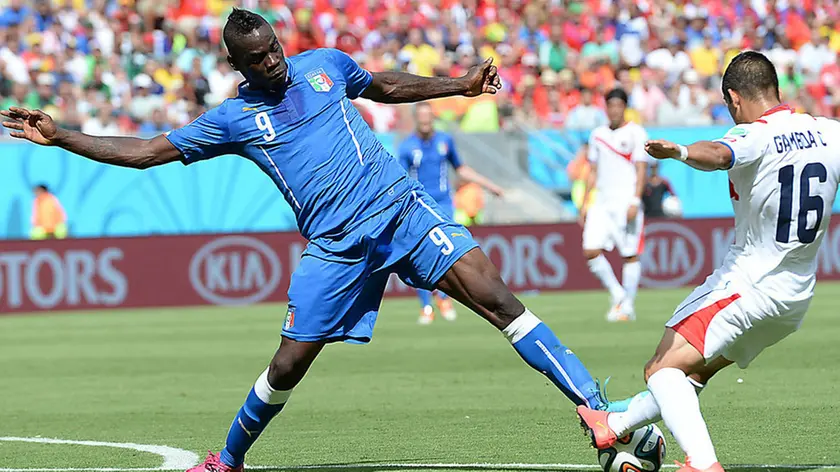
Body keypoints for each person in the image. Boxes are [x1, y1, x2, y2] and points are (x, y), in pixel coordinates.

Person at [3, 9, 629, 472]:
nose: (272, 62)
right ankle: (228, 457)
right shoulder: (234, 120)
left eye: (275, 49)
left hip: (403, 211)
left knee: (500, 301)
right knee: (288, 364)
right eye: (258, 58)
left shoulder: (324, 65)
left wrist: (457, 85)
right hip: (336, 248)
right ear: (237, 65)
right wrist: (60, 135)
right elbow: (144, 153)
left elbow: (384, 85)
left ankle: (601, 412)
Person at [577, 51, 840, 472]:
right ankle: (616, 423)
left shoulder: (755, 134)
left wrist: (679, 150)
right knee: (694, 373)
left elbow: (718, 154)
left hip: (750, 284)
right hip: (796, 298)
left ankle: (703, 463)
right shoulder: (829, 132)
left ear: (734, 99)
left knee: (661, 370)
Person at [398, 102, 504, 324]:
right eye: (422, 118)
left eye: (429, 117)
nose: (426, 122)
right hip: (419, 206)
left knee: (449, 253)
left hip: (444, 205)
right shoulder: (408, 147)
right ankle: (426, 306)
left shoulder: (444, 141)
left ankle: (444, 298)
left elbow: (461, 168)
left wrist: (489, 185)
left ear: (433, 118)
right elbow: (401, 178)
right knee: (417, 257)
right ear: (417, 119)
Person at [579, 88, 649, 322]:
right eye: (611, 106)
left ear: (625, 107)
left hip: (626, 200)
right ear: (606, 108)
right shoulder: (597, 134)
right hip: (602, 202)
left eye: (619, 106)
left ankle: (627, 305)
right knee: (590, 250)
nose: (614, 110)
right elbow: (593, 170)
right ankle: (617, 293)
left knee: (629, 254)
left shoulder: (636, 133)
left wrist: (636, 200)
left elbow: (641, 169)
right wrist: (585, 201)